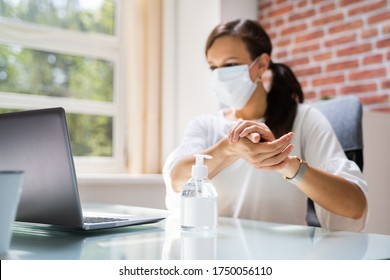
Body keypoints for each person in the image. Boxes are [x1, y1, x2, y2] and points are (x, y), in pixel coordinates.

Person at [163, 19, 368, 231]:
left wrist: (285, 163)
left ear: (261, 64)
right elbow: (177, 181)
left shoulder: (304, 118)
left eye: (230, 65)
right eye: (213, 67)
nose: (220, 76)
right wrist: (229, 148)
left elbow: (354, 207)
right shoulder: (205, 125)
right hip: (217, 253)